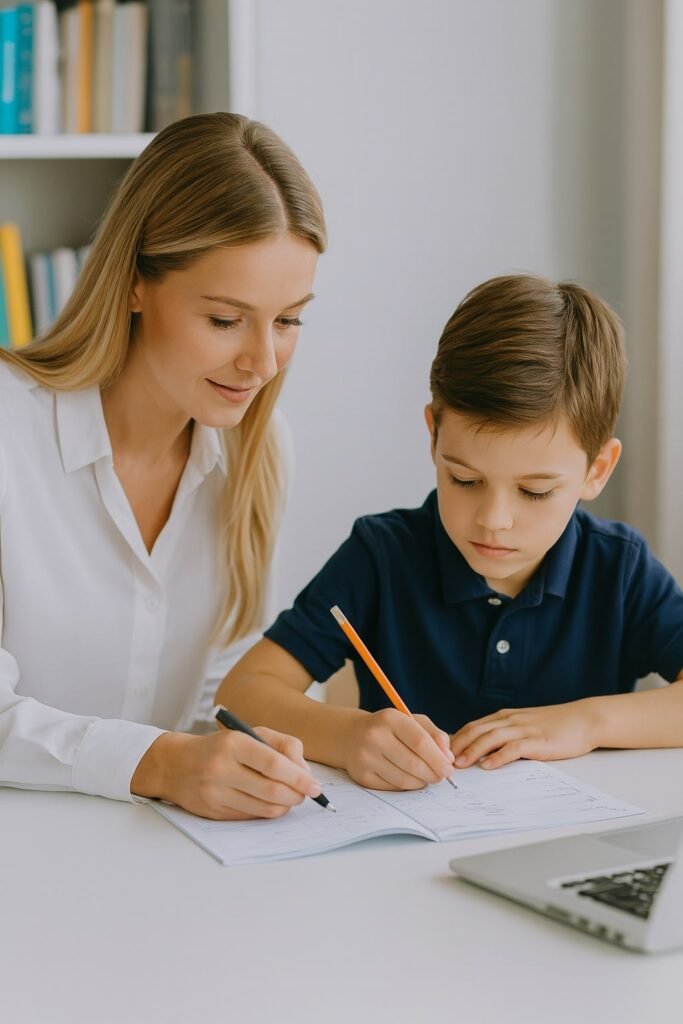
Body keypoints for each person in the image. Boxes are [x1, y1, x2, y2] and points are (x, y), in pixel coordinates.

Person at [217, 274, 683, 792]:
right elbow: (244, 692)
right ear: (434, 435)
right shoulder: (383, 556)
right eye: (465, 480)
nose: (493, 519)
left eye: (534, 491)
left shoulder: (617, 569)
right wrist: (349, 736)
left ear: (597, 470)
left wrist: (587, 722)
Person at [0, 112, 328, 820]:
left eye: (288, 319)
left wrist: (263, 755)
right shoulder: (8, 431)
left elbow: (220, 693)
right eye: (224, 319)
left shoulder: (259, 451)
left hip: (164, 864)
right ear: (134, 285)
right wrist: (160, 762)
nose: (263, 363)